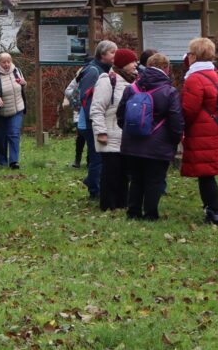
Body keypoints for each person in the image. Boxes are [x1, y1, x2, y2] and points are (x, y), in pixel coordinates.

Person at [116, 53, 184, 220]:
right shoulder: (169, 91)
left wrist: (130, 132)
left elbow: (120, 116)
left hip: (132, 143)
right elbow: (176, 120)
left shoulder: (131, 88)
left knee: (136, 179)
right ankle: (150, 214)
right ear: (166, 68)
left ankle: (133, 213)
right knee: (154, 181)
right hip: (158, 145)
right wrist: (174, 140)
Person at [181, 37, 218, 225]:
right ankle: (212, 209)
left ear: (194, 55)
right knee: (208, 172)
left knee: (205, 174)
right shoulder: (214, 74)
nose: (188, 56)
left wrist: (182, 126)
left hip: (202, 130)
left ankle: (214, 212)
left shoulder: (194, 78)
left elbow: (189, 109)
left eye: (189, 53)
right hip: (217, 127)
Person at [89, 48, 138, 211]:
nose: (135, 64)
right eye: (132, 62)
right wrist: (101, 132)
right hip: (109, 134)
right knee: (111, 172)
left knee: (124, 172)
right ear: (123, 64)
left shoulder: (132, 81)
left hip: (126, 135)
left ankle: (122, 203)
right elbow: (97, 109)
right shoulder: (107, 81)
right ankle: (108, 205)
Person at [76, 41, 117, 199]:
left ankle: (92, 181)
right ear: (102, 54)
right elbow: (86, 99)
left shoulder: (106, 70)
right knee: (97, 157)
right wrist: (94, 122)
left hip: (98, 121)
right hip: (90, 122)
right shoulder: (93, 71)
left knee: (100, 157)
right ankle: (95, 190)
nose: (115, 55)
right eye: (112, 52)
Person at [0, 52, 26, 169]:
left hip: (17, 109)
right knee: (1, 138)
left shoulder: (16, 71)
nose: (7, 64)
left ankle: (14, 161)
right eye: (4, 62)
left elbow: (22, 84)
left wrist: (24, 83)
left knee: (14, 133)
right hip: (1, 112)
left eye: (8, 61)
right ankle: (1, 161)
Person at [62, 73, 85, 168]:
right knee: (81, 136)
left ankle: (90, 160)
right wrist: (76, 93)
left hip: (91, 112)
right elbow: (68, 91)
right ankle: (77, 159)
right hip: (78, 113)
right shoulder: (78, 78)